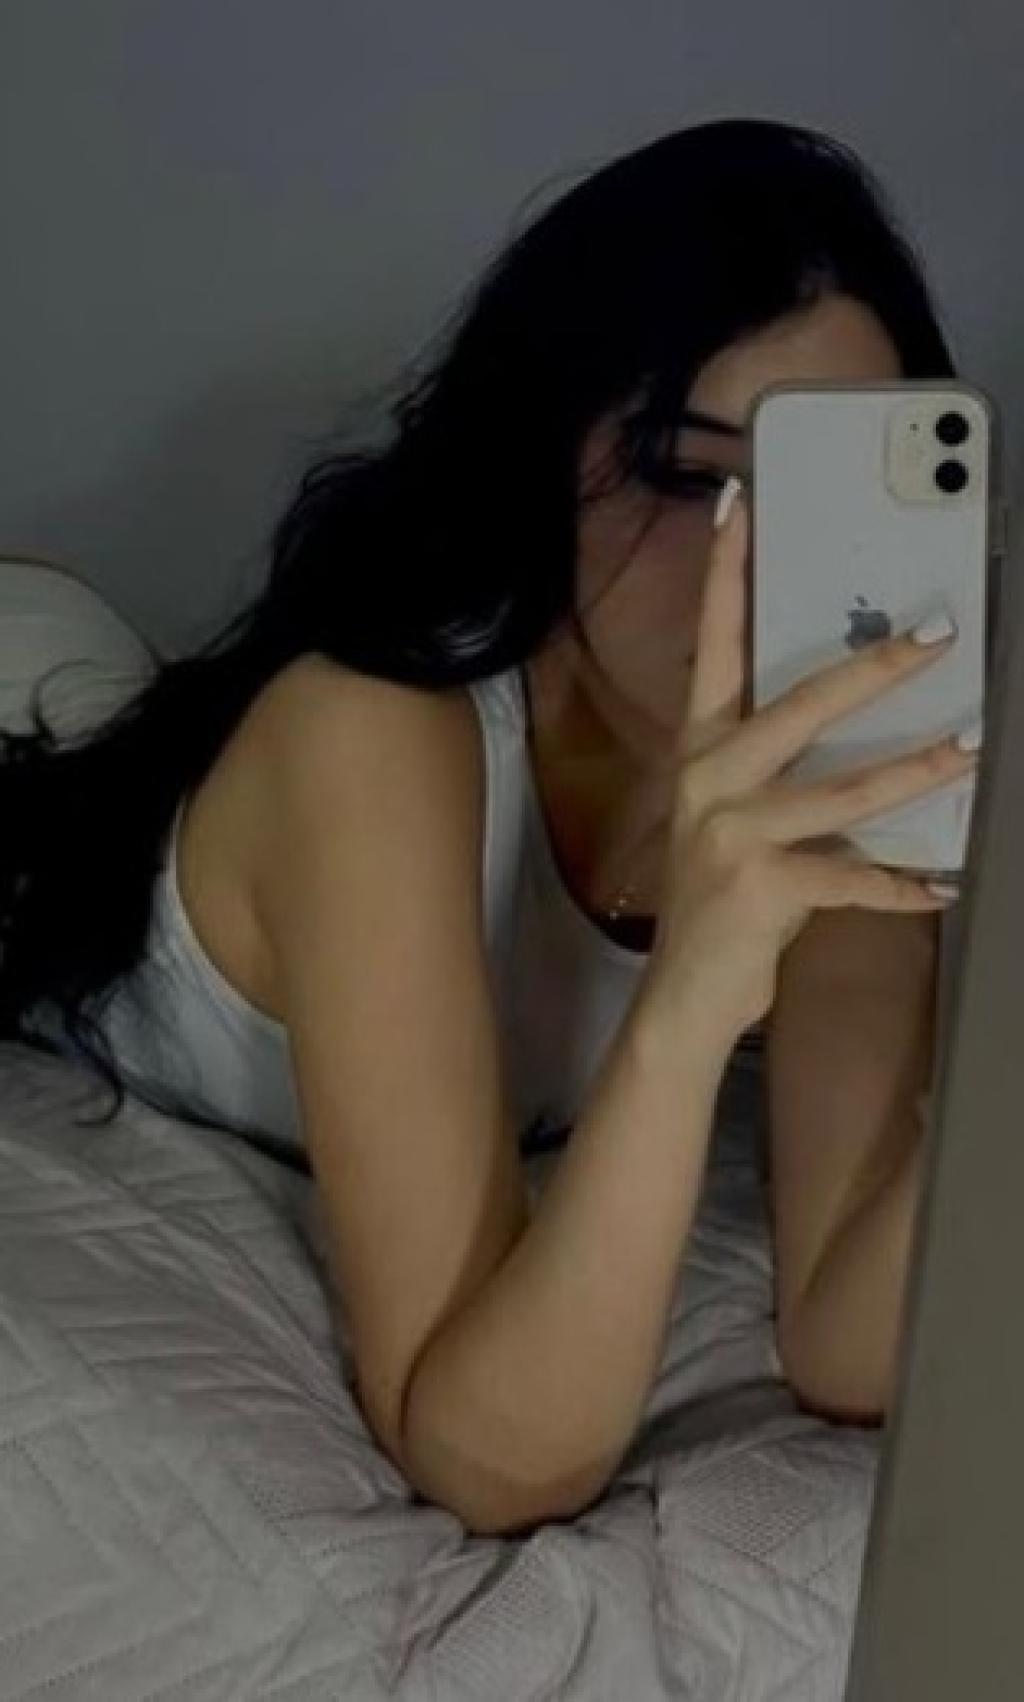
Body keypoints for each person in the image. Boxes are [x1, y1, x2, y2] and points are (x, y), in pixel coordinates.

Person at [0, 118, 978, 1536]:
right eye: (687, 476)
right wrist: (689, 1002)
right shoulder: (375, 739)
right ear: (544, 461)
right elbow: (488, 1451)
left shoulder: (831, 782)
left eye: (826, 495)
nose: (757, 564)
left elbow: (845, 1341)